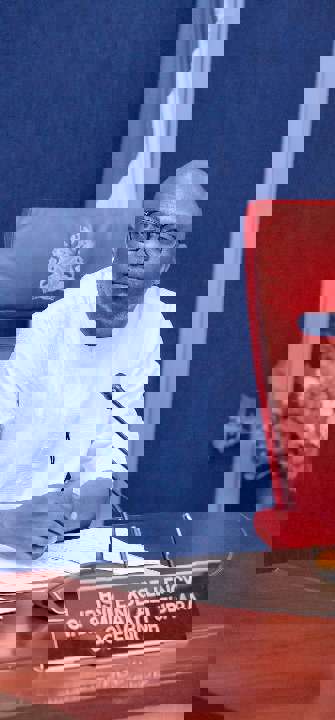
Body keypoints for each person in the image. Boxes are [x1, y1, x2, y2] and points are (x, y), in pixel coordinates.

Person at [0, 162, 206, 560]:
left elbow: (110, 450)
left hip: (45, 545)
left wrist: (72, 509)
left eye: (164, 237)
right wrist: (8, 524)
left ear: (177, 260)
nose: (144, 246)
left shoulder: (149, 326)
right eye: (144, 227)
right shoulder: (47, 318)